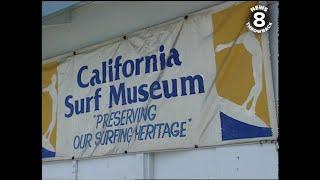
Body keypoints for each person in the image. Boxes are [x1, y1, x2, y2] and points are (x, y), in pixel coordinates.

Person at [215, 31, 263, 114]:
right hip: (256, 58)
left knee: (258, 84)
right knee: (258, 84)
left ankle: (249, 105)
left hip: (258, 57)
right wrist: (223, 46)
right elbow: (234, 43)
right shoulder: (246, 36)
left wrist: (223, 46)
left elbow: (233, 43)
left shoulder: (248, 36)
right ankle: (249, 105)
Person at [42, 74, 58, 152]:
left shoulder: (53, 87)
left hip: (56, 107)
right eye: (54, 77)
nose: (55, 79)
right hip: (53, 106)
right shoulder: (51, 86)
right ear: (52, 79)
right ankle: (46, 137)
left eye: (55, 78)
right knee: (53, 121)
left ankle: (46, 136)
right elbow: (44, 90)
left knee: (53, 122)